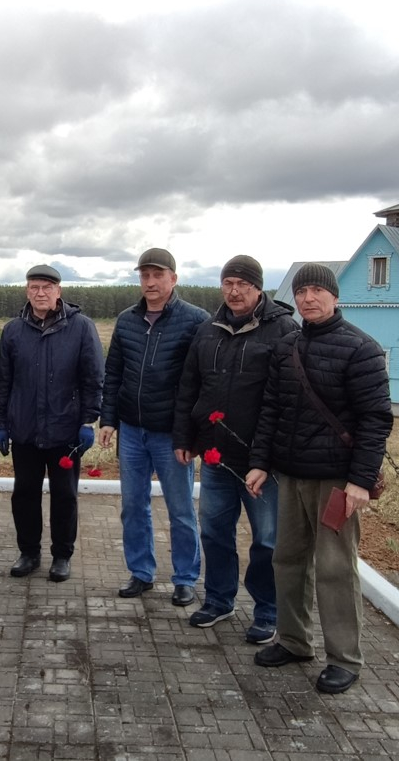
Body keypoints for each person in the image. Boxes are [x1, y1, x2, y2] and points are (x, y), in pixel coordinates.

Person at [244, 262, 392, 695]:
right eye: (301, 291)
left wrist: (360, 481)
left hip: (336, 482)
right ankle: (293, 640)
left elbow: (375, 420)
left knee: (334, 568)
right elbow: (271, 410)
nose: (308, 298)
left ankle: (344, 658)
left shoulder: (361, 349)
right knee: (286, 559)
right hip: (290, 475)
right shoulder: (287, 346)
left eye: (316, 290)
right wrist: (260, 462)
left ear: (334, 296)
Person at [172, 255, 299, 644]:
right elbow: (190, 386)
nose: (235, 290)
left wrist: (264, 457)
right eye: (228, 282)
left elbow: (285, 401)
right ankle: (219, 599)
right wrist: (184, 437)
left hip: (262, 462)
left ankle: (268, 611)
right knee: (214, 531)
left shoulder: (283, 331)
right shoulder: (209, 330)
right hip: (215, 455)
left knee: (267, 539)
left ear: (259, 287)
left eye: (243, 283)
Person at [99, 247, 210, 605]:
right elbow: (114, 373)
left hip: (172, 435)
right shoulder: (127, 319)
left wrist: (190, 434)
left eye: (157, 275)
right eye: (144, 275)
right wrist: (109, 419)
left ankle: (185, 577)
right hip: (132, 430)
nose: (150, 282)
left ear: (173, 279)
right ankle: (141, 572)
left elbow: (199, 382)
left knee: (180, 509)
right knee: (133, 505)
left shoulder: (195, 320)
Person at [0, 264, 103, 583]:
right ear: (27, 291)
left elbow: (93, 378)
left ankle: (62, 555)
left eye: (46, 287)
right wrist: (2, 422)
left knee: (64, 495)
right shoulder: (14, 330)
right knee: (24, 493)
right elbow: (4, 380)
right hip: (25, 429)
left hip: (65, 430)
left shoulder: (81, 327)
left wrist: (88, 420)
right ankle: (28, 552)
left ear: (58, 291)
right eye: (33, 288)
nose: (40, 293)